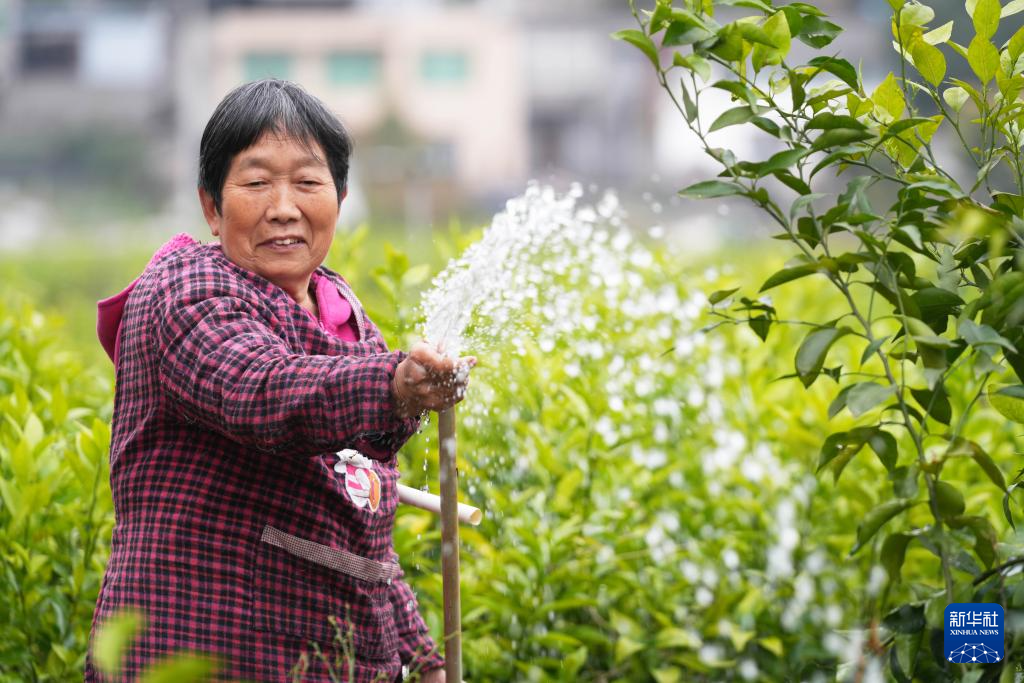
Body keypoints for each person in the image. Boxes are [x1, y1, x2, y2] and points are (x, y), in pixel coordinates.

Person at [85, 79, 473, 682]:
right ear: (212, 206)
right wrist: (394, 385)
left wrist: (424, 662)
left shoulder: (344, 319)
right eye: (258, 182)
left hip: (327, 661)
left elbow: (360, 532)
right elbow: (264, 392)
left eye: (309, 182)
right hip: (201, 655)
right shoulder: (187, 292)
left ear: (339, 201)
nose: (284, 207)